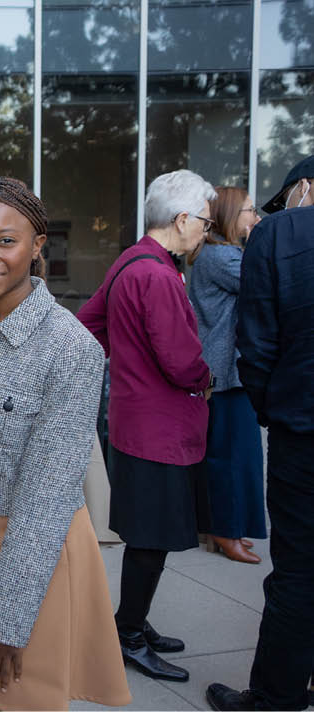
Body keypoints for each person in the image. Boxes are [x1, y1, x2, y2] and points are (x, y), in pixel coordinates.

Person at [0, 178, 130, 711]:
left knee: (12, 700)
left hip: (28, 552)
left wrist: (8, 617)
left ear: (38, 245)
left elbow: (49, 495)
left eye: (5, 241)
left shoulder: (70, 349)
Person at [76, 169, 216, 684]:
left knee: (146, 538)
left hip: (136, 421)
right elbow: (182, 361)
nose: (207, 228)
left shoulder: (131, 261)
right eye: (204, 219)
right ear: (181, 219)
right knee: (151, 540)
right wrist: (207, 378)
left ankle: (130, 622)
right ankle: (129, 635)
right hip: (158, 427)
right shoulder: (156, 273)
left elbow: (88, 327)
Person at [206, 155, 314, 711]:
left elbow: (259, 337)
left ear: (305, 187)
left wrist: (272, 407)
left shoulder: (283, 232)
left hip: (304, 424)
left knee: (299, 569)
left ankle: (276, 695)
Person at [189, 186, 265, 564]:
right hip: (226, 373)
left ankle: (227, 528)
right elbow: (267, 281)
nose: (256, 217)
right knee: (232, 458)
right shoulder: (222, 257)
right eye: (250, 211)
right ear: (230, 215)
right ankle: (224, 529)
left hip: (228, 371)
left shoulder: (220, 255)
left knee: (237, 456)